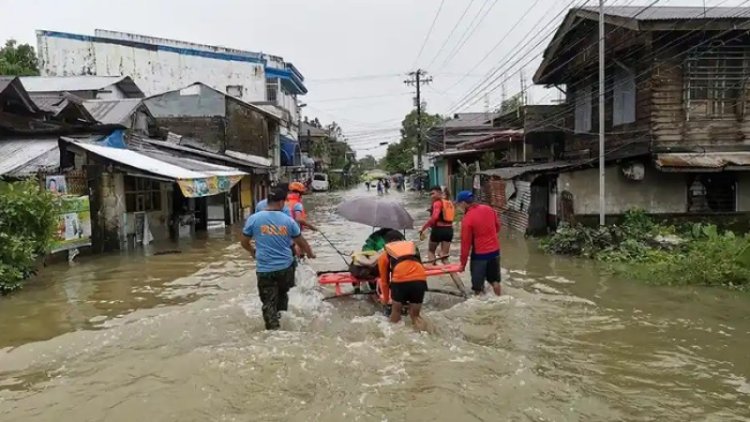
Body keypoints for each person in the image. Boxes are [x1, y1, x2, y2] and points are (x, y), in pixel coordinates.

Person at [241, 188, 316, 330]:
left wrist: (252, 251)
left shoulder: (254, 219)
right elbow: (301, 242)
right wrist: (310, 253)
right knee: (283, 294)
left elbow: (244, 242)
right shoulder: (288, 221)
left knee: (268, 302)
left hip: (265, 269)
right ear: (282, 202)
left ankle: (273, 330)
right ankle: (283, 321)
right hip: (285, 268)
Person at [377, 230, 428, 329]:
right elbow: (420, 266)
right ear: (402, 239)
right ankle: (426, 334)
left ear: (387, 242)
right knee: (415, 316)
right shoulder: (413, 248)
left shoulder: (385, 254)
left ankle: (392, 338)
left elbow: (384, 282)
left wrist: (386, 300)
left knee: (396, 312)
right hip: (420, 279)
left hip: (400, 281)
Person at [455, 191, 502, 296]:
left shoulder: (467, 219)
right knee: (495, 281)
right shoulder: (489, 209)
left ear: (463, 203)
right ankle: (499, 298)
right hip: (495, 252)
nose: (458, 206)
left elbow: (465, 245)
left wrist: (462, 264)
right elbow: (498, 227)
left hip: (479, 256)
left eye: (458, 204)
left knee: (477, 287)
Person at [419, 186, 456, 263]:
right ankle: (454, 275)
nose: (431, 196)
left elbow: (434, 218)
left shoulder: (437, 203)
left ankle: (433, 268)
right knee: (444, 255)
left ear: (439, 193)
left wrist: (423, 228)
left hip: (438, 230)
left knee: (431, 251)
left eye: (433, 193)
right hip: (449, 230)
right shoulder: (449, 202)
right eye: (430, 194)